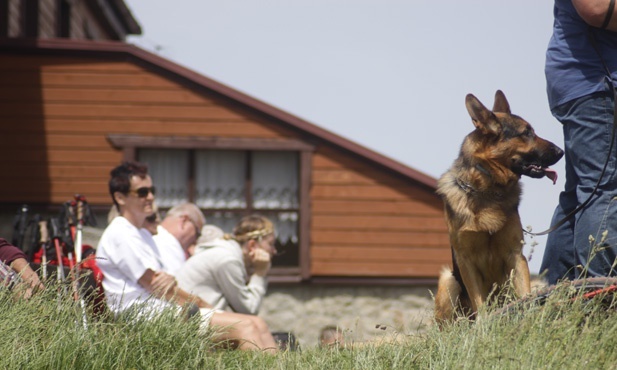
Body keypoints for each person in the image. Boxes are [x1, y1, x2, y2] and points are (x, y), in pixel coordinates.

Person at [96, 161, 277, 352]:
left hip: (164, 311)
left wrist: (170, 282)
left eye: (151, 190)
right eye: (142, 192)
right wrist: (203, 304)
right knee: (245, 326)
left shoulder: (141, 234)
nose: (150, 197)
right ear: (120, 197)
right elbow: (157, 286)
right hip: (145, 319)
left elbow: (167, 282)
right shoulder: (120, 233)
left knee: (258, 323)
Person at [540, 0, 617, 285]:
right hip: (597, 82)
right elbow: (595, 8)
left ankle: (556, 300)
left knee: (582, 193)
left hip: (588, 83)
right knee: (605, 189)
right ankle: (602, 297)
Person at [176, 215, 276, 315]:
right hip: (189, 322)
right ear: (252, 245)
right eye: (270, 244)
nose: (274, 251)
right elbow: (249, 309)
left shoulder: (226, 252)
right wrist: (260, 274)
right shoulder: (228, 260)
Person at [151, 203, 202, 275]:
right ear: (184, 221)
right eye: (198, 234)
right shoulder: (170, 244)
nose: (195, 242)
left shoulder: (150, 236)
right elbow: (177, 282)